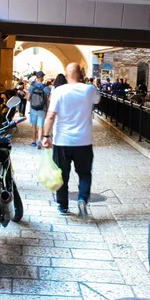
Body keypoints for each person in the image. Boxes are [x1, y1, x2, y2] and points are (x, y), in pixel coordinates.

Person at [42, 63, 100, 217]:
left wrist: (46, 137)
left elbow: (50, 116)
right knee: (85, 173)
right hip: (84, 141)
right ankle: (82, 199)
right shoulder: (89, 89)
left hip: (62, 141)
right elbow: (97, 100)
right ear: (81, 74)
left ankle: (63, 205)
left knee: (62, 175)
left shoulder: (59, 91)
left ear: (66, 76)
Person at [27, 71, 51, 149]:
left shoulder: (32, 87)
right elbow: (49, 99)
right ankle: (39, 142)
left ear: (36, 77)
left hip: (33, 108)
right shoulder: (46, 87)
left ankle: (33, 142)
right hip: (42, 109)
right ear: (42, 77)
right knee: (40, 126)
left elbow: (28, 98)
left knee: (33, 126)